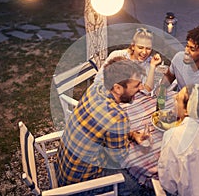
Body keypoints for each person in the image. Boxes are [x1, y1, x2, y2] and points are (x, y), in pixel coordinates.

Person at [56, 59, 146, 188]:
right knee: (137, 186)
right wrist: (128, 139)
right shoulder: (118, 117)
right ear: (118, 88)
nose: (141, 88)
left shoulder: (95, 88)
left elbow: (102, 129)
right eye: (137, 85)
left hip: (64, 167)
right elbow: (118, 157)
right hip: (80, 184)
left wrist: (130, 134)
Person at [94, 27, 162, 92]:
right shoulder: (117, 55)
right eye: (140, 47)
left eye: (148, 48)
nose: (144, 52)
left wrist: (153, 66)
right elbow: (98, 80)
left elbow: (147, 91)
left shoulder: (149, 63)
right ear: (133, 46)